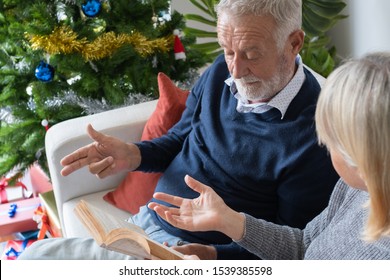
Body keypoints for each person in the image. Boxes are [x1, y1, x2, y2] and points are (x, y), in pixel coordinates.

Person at [19, 0, 339, 260]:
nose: (236, 70)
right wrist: (133, 154)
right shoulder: (220, 73)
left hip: (189, 258)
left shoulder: (315, 138)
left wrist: (213, 255)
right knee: (37, 257)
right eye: (228, 51)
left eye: (252, 55)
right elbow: (181, 137)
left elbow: (291, 246)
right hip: (144, 228)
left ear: (294, 43)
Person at [149, 52, 390, 260]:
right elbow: (303, 246)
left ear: (361, 156)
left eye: (330, 141)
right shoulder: (356, 189)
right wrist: (221, 239)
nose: (324, 147)